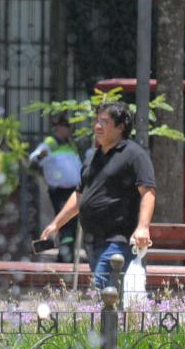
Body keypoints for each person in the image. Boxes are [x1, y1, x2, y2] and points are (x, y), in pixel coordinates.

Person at [40, 102, 155, 289]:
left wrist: (143, 227)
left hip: (118, 239)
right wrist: (56, 224)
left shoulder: (134, 155)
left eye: (104, 121)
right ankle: (115, 318)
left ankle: (101, 316)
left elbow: (148, 192)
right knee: (111, 293)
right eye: (97, 121)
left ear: (120, 127)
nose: (97, 126)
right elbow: (79, 196)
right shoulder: (92, 157)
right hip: (93, 240)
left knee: (101, 287)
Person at [28, 114, 82, 262]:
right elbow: (34, 158)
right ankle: (65, 257)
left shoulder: (70, 144)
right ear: (59, 128)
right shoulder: (50, 142)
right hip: (59, 191)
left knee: (72, 222)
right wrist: (40, 156)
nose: (70, 130)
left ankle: (67, 254)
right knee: (64, 222)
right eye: (68, 127)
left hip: (74, 190)